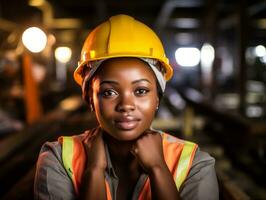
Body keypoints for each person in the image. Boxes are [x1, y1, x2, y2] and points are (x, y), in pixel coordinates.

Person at [34, 14, 219, 200]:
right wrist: (94, 170)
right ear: (90, 99)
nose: (126, 105)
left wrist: (158, 168)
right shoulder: (57, 159)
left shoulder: (194, 164)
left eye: (140, 91)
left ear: (157, 98)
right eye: (109, 92)